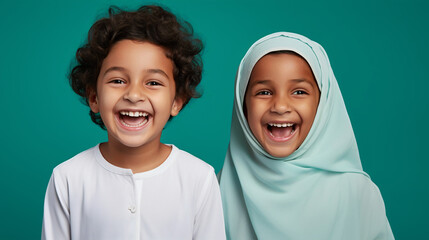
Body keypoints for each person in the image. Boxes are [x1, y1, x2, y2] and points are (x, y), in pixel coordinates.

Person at [42, 5, 225, 240]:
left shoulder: (199, 178)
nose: (134, 95)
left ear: (177, 101)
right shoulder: (67, 179)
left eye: (153, 83)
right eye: (118, 80)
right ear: (94, 97)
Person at [218, 32, 394, 239]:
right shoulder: (216, 191)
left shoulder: (358, 194)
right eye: (264, 92)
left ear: (323, 105)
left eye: (299, 92)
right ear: (243, 105)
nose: (281, 106)